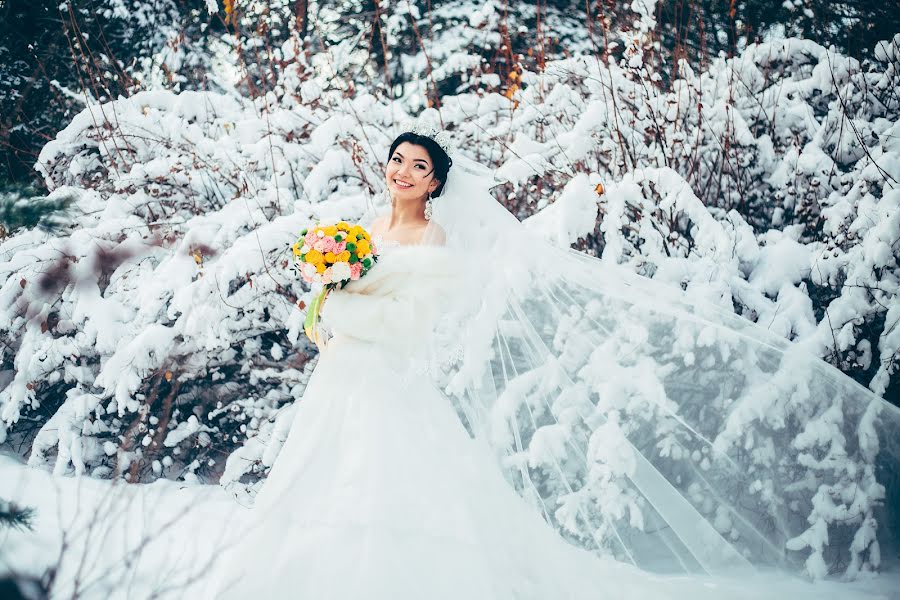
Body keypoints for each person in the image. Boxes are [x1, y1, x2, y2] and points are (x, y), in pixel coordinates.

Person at [206, 125, 899, 599]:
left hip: (387, 382)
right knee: (321, 480)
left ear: (437, 182)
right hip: (341, 377)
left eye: (420, 165)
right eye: (399, 159)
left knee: (379, 484)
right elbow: (326, 298)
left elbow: (411, 325)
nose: (404, 171)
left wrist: (340, 312)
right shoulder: (358, 232)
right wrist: (320, 311)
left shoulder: (433, 240)